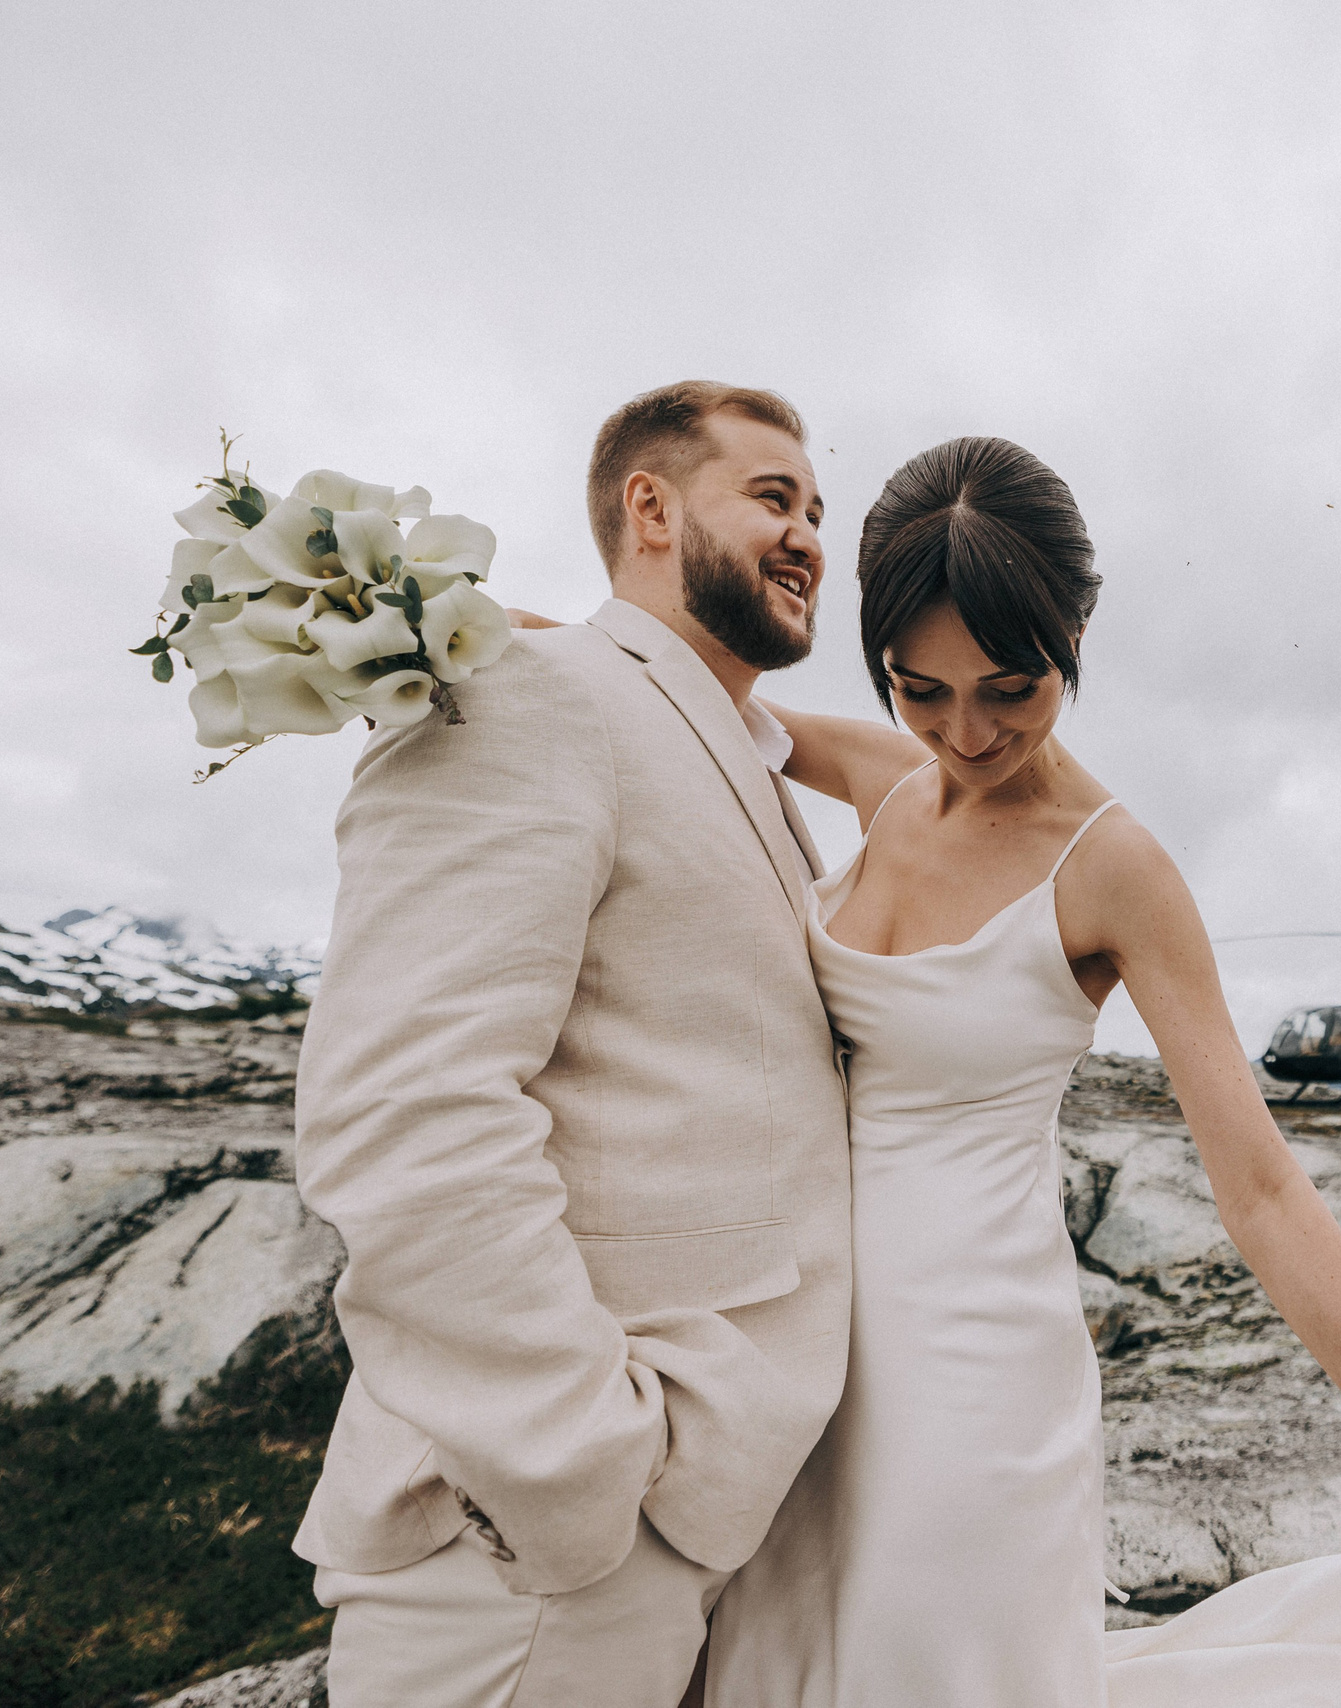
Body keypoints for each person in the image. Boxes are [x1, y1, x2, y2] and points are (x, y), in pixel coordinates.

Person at [696, 435, 1341, 1707]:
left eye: (1012, 687)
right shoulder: (891, 781)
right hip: (801, 1355)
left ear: (1075, 633)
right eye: (920, 688)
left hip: (973, 1387)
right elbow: (670, 696)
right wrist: (448, 631)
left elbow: (1264, 1194)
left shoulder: (1112, 868)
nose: (966, 733)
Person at [293, 381, 854, 1708]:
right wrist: (581, 1469)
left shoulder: (740, 762)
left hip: (704, 1522)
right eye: (772, 496)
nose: (808, 536)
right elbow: (406, 1109)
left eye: (817, 510)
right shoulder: (530, 694)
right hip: (537, 1552)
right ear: (649, 509)